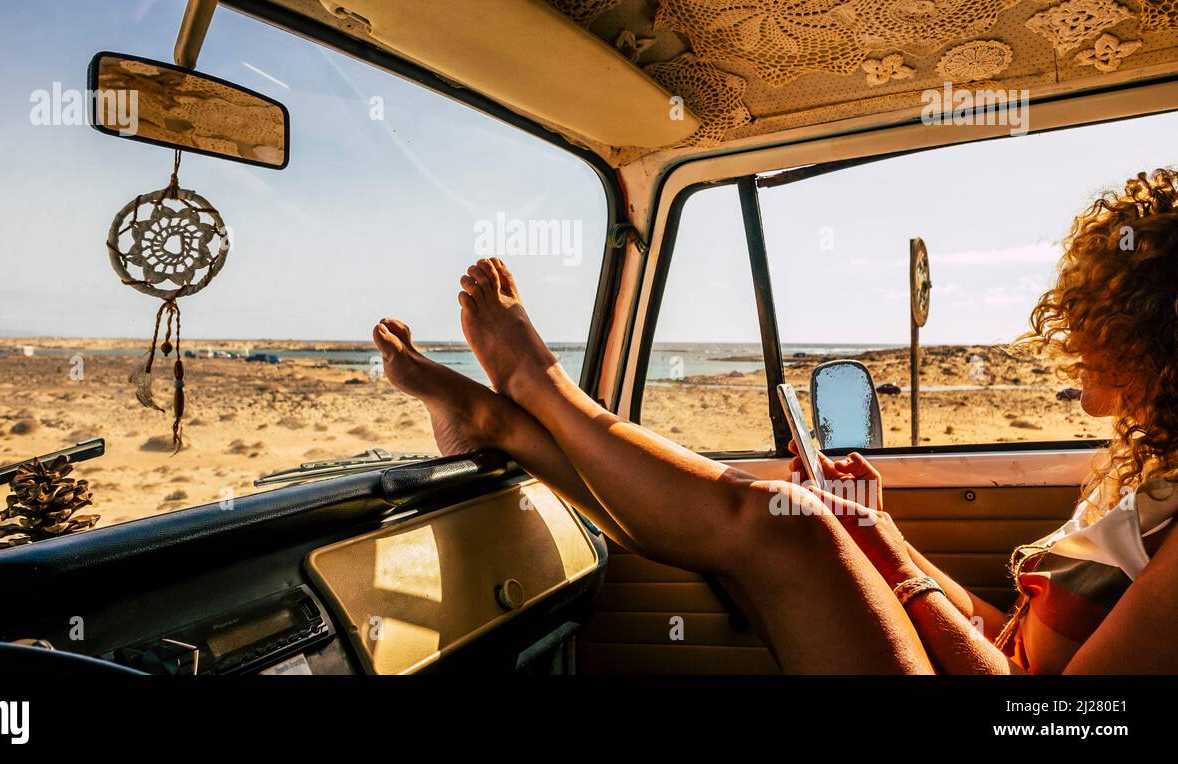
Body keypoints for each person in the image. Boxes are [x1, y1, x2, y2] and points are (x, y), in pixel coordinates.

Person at [371, 169, 1178, 674]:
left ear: (1154, 332)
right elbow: (1022, 647)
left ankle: (533, 390)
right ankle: (505, 423)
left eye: (1094, 314)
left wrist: (887, 568)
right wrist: (885, 537)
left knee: (791, 527)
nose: (1068, 334)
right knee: (795, 525)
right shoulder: (1151, 480)